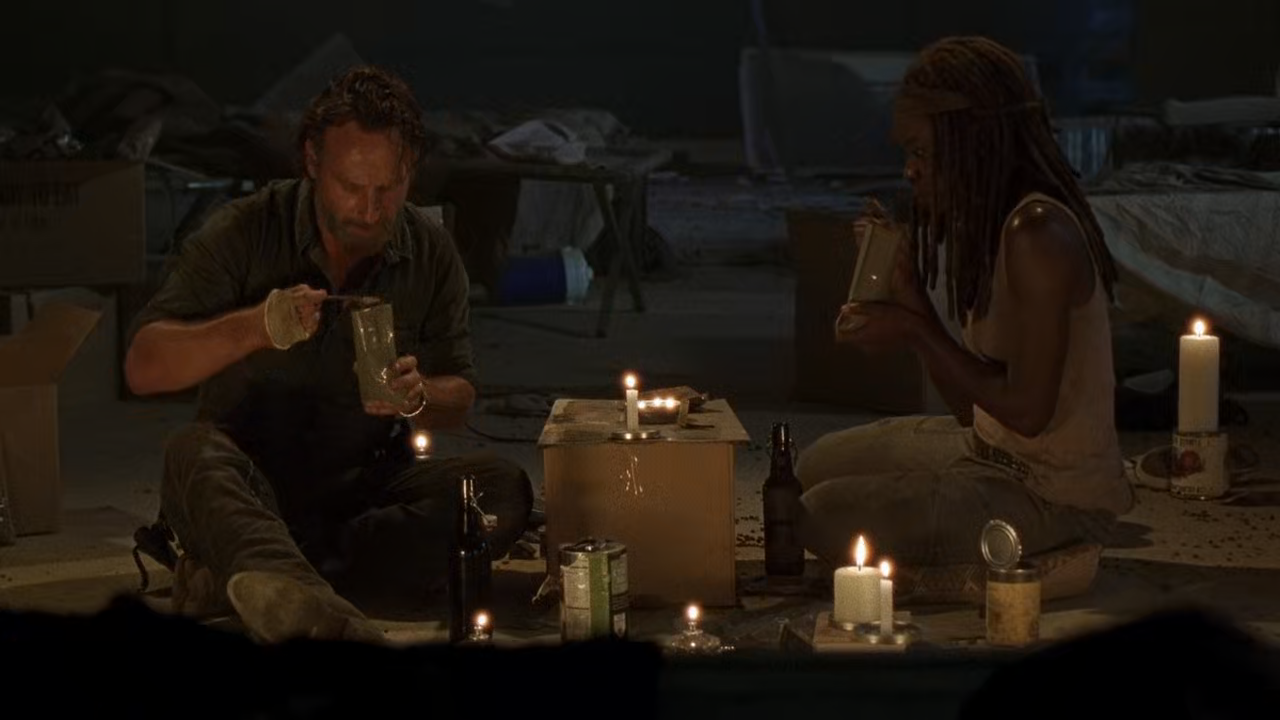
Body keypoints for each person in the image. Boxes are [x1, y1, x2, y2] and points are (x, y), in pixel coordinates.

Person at [124, 65, 534, 643]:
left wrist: (421, 398)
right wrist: (254, 328)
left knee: (500, 488)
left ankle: (256, 571)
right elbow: (143, 365)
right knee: (191, 454)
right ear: (313, 161)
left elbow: (460, 393)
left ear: (411, 170)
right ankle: (318, 608)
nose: (369, 209)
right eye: (350, 186)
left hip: (363, 492)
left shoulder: (429, 251)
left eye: (387, 188)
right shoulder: (245, 230)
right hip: (249, 482)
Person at [794, 37, 1133, 598]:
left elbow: (1027, 412)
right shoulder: (992, 224)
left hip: (1053, 495)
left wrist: (915, 330)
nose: (909, 171)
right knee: (809, 467)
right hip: (988, 453)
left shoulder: (1038, 235)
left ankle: (1029, 566)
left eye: (921, 153)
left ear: (972, 142)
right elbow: (969, 412)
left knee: (816, 515)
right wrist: (910, 298)